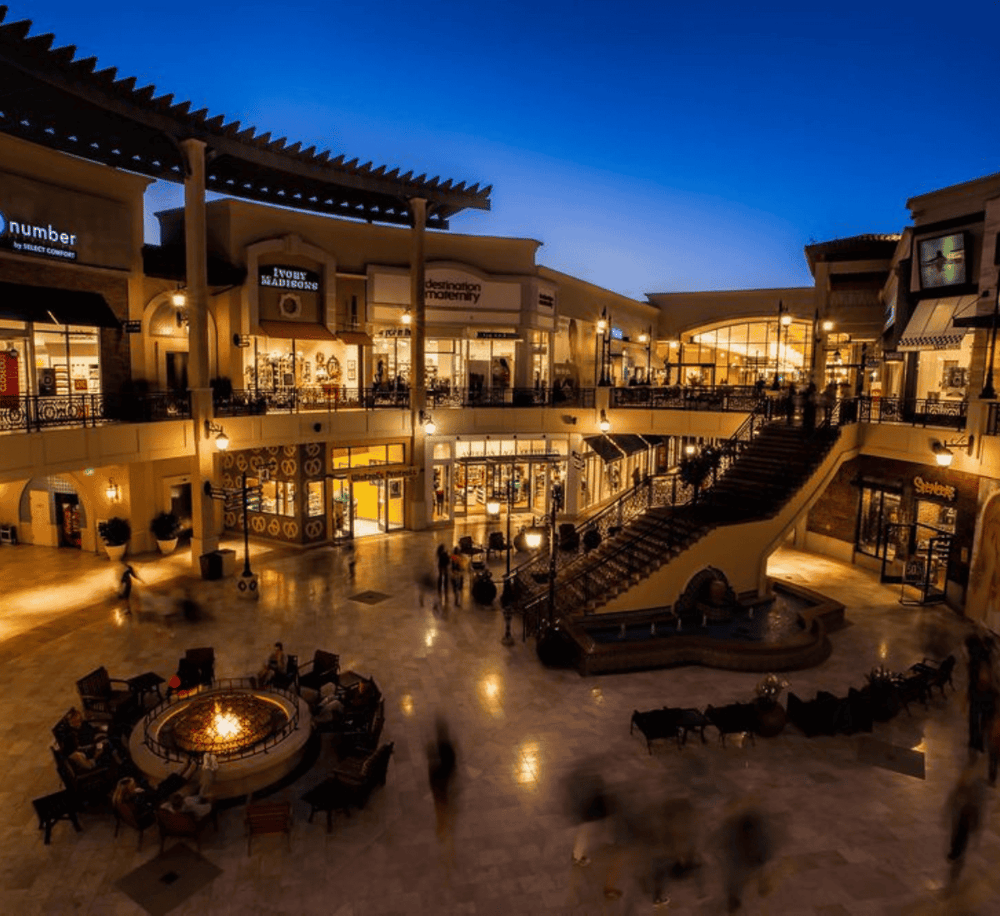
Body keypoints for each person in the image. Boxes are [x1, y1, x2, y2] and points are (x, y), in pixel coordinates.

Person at [427, 717, 458, 845]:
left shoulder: (442, 747)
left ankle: (443, 827)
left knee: (441, 804)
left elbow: (445, 764)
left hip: (440, 781)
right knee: (443, 803)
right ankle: (445, 826)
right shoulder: (447, 746)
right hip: (442, 780)